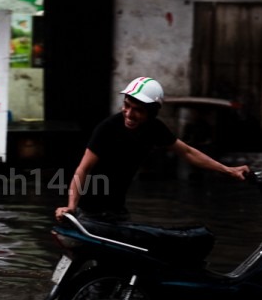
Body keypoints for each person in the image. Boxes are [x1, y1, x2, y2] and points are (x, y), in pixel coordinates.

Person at [55, 77, 250, 222]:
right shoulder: (108, 129)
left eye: (138, 110)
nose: (129, 114)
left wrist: (228, 170)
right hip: (88, 211)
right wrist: (72, 206)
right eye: (126, 106)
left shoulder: (154, 129)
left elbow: (188, 152)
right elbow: (83, 169)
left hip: (116, 211)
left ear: (152, 112)